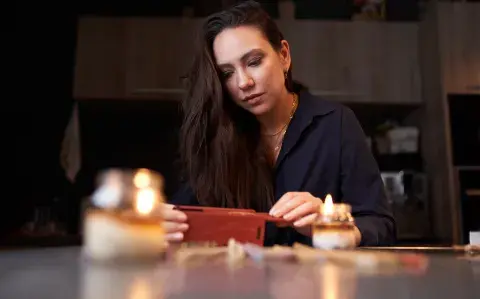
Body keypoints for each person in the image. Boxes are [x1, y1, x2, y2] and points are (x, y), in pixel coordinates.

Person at [164, 0, 395, 247]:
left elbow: (381, 226)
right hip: (238, 283)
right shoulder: (215, 135)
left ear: (284, 55)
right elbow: (181, 216)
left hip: (319, 284)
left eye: (253, 62)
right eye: (227, 73)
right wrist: (161, 223)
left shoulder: (336, 124)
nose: (243, 82)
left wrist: (331, 222)